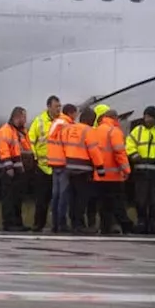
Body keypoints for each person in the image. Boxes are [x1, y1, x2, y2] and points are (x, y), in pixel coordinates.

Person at [126, 106, 155, 235]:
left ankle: (154, 224)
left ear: (154, 117)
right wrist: (134, 155)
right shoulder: (138, 131)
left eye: (150, 117)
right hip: (141, 171)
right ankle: (141, 223)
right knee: (140, 199)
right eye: (146, 116)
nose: (147, 119)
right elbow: (129, 144)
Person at [89, 105, 135, 235]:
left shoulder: (96, 131)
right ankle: (126, 226)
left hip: (99, 174)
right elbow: (119, 152)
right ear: (115, 118)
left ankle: (105, 228)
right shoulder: (114, 131)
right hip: (114, 176)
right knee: (118, 203)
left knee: (104, 204)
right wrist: (127, 170)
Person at [28, 95, 62, 232]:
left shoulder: (63, 120)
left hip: (58, 167)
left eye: (59, 106)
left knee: (59, 199)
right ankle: (38, 224)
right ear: (48, 107)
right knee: (41, 199)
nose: (58, 109)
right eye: (56, 106)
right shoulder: (39, 121)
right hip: (42, 167)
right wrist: (34, 158)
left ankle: (57, 225)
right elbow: (30, 141)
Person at [0, 106, 32, 232]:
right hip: (8, 170)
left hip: (19, 170)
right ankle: (8, 223)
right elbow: (3, 150)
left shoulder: (20, 132)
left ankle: (17, 223)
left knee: (17, 198)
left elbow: (27, 147)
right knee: (9, 198)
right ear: (17, 117)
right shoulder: (5, 130)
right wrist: (9, 167)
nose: (25, 120)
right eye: (24, 117)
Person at [64, 106, 98, 233]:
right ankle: (80, 224)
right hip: (83, 169)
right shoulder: (89, 131)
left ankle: (73, 223)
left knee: (72, 197)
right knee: (82, 198)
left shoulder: (71, 128)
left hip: (69, 167)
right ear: (90, 120)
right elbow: (94, 151)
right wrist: (99, 167)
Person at [45, 103, 77, 232]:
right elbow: (69, 145)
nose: (76, 116)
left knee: (56, 195)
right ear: (71, 113)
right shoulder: (67, 125)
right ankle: (62, 224)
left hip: (54, 163)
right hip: (63, 163)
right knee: (63, 195)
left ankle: (54, 224)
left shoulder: (56, 123)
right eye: (75, 113)